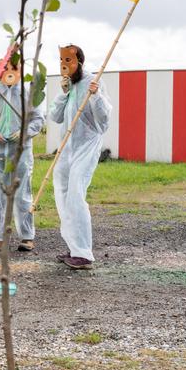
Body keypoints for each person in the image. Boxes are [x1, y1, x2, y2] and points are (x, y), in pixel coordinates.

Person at [50, 44, 112, 270]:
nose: (64, 65)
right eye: (61, 60)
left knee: (76, 195)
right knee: (63, 195)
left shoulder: (92, 82)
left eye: (68, 60)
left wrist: (96, 96)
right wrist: (64, 93)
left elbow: (104, 122)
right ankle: (73, 247)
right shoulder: (69, 84)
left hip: (87, 146)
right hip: (67, 148)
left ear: (80, 62)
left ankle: (84, 254)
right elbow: (55, 117)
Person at [0, 52, 44, 252]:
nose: (9, 72)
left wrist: (24, 132)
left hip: (20, 151)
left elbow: (38, 120)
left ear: (20, 69)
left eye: (14, 68)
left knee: (22, 193)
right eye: (5, 68)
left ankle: (27, 236)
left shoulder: (28, 94)